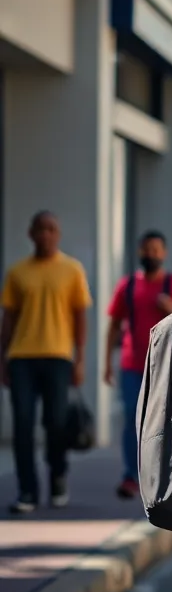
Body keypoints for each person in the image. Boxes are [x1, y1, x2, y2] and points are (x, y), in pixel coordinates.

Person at [1, 212, 91, 513]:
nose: (46, 235)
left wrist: (79, 360)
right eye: (40, 229)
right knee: (23, 426)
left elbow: (80, 319)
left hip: (58, 358)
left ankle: (57, 478)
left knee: (55, 424)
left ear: (58, 234)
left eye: (51, 229)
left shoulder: (72, 269)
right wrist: (2, 360)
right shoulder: (17, 272)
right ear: (31, 233)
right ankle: (27, 491)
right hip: (21, 358)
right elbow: (8, 320)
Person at [105, 231, 172, 499]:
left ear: (164, 253)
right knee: (132, 418)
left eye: (156, 250)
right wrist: (107, 363)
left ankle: (161, 475)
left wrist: (171, 307)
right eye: (146, 249)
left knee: (163, 420)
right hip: (131, 364)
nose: (150, 254)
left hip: (164, 365)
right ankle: (130, 475)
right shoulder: (127, 285)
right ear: (139, 252)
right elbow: (113, 326)